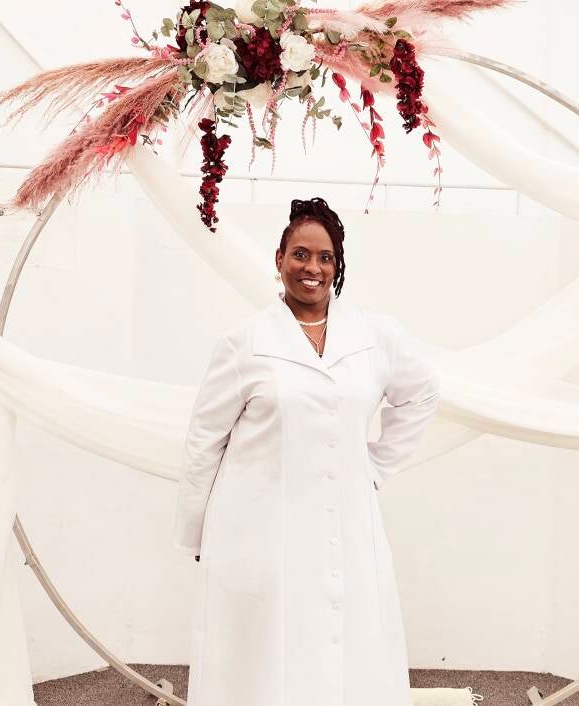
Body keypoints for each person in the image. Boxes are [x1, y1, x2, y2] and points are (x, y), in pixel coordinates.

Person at [172, 197, 441, 706]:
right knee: (267, 649)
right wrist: (196, 530)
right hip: (258, 524)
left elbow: (422, 392)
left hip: (346, 524)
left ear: (337, 267)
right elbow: (204, 439)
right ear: (279, 259)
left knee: (345, 643)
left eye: (324, 257)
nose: (311, 267)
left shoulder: (374, 336)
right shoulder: (244, 342)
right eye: (300, 254)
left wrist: (375, 467)